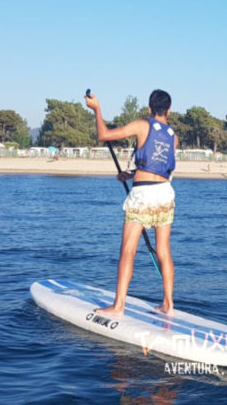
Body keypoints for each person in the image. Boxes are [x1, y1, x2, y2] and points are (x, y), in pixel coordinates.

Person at [85, 89, 178, 317]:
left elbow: (104, 135)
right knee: (164, 251)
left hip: (143, 196)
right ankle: (168, 303)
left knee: (128, 250)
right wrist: (130, 174)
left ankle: (118, 307)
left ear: (149, 108)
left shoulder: (142, 125)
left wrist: (97, 110)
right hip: (165, 194)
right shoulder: (174, 137)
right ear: (169, 110)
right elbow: (157, 165)